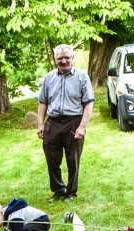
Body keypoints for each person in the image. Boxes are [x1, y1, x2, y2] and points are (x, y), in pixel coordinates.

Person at [37, 44, 95, 203]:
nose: (63, 61)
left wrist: (82, 126)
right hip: (53, 123)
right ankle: (58, 190)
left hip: (73, 122)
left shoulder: (82, 77)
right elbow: (43, 102)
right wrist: (41, 124)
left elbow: (89, 103)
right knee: (52, 159)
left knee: (73, 159)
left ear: (72, 58)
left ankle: (71, 192)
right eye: (59, 58)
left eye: (66, 58)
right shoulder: (49, 78)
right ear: (55, 59)